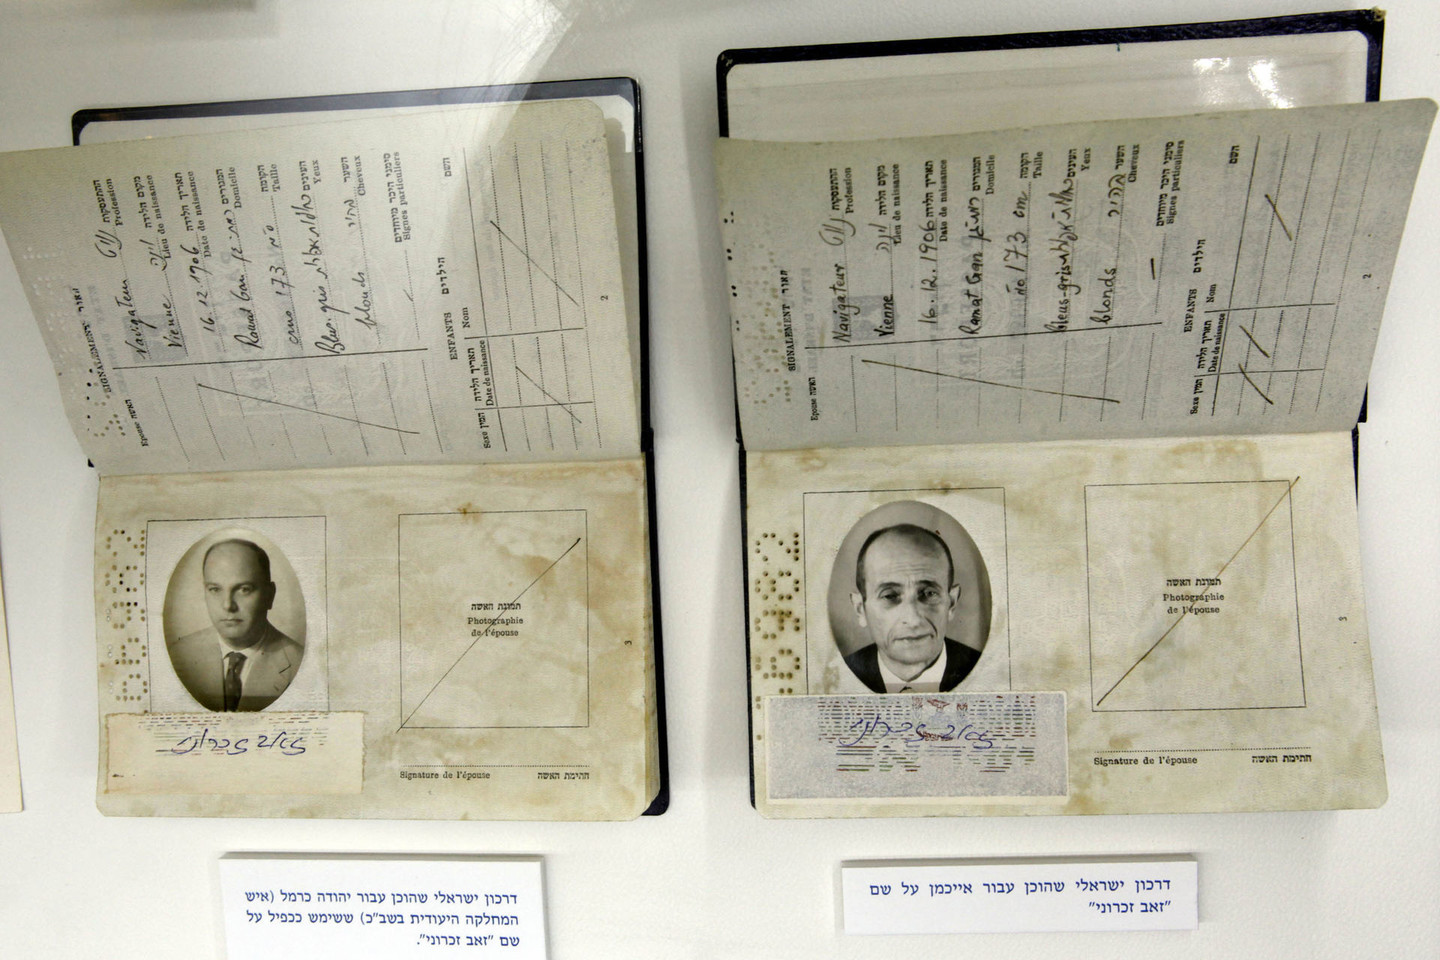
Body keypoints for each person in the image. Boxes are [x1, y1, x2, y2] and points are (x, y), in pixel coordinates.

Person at [168, 538, 303, 711]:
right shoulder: (179, 655)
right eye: (215, 589)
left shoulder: (299, 663)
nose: (228, 605)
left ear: (269, 595)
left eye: (244, 589)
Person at [843, 523, 979, 693]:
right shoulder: (838, 676)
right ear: (860, 609)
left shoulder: (986, 668)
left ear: (951, 603)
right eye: (889, 596)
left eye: (929, 593)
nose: (913, 619)